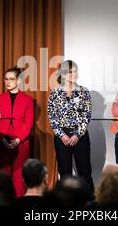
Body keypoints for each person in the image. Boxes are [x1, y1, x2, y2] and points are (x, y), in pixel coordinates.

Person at [47, 60, 94, 191]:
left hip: (80, 136)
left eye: (75, 71)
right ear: (63, 74)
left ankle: (90, 202)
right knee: (65, 173)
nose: (74, 74)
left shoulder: (83, 91)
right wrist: (62, 135)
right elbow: (52, 116)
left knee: (84, 172)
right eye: (70, 72)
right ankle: (66, 201)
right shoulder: (55, 93)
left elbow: (86, 115)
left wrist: (77, 135)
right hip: (62, 138)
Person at [0, 67, 34, 197]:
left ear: (18, 80)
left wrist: (18, 140)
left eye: (11, 79)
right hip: (2, 140)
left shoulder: (27, 100)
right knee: (3, 175)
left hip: (20, 141)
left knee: (18, 175)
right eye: (6, 79)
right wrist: (2, 139)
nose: (8, 82)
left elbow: (28, 122)